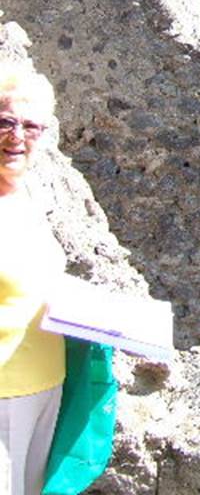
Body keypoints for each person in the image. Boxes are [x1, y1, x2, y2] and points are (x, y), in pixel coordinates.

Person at [0, 64, 67, 495]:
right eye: (5, 122)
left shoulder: (29, 194)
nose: (17, 136)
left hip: (45, 382)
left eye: (31, 126)